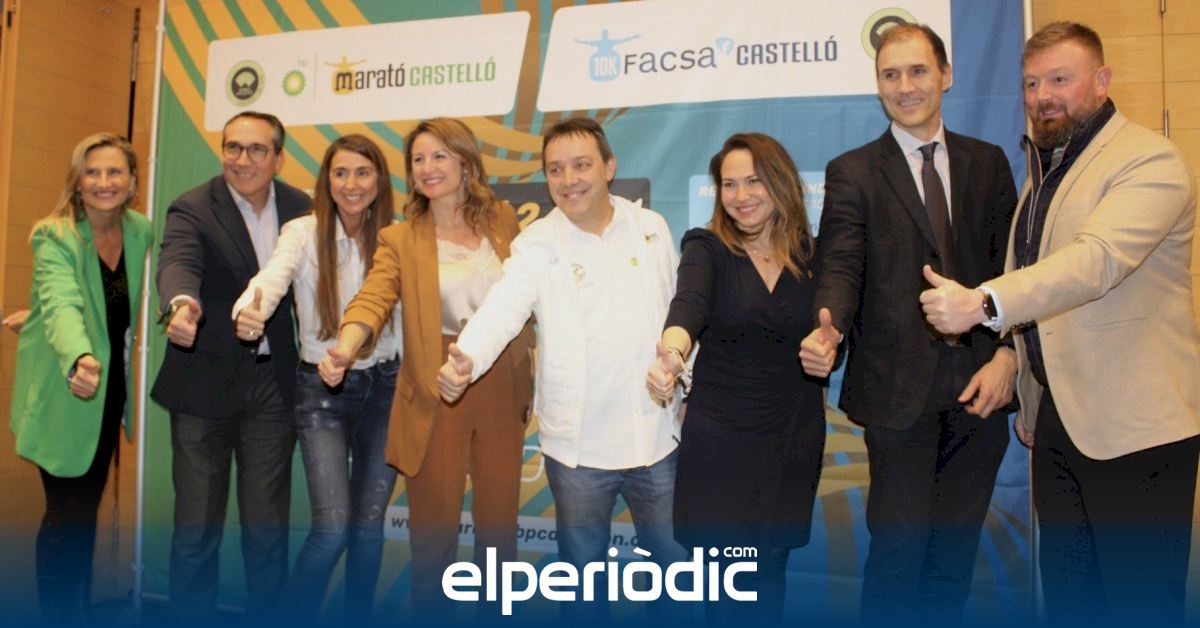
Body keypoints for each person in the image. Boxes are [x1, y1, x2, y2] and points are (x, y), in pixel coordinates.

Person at [920, 21, 1200, 623]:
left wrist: (984, 303)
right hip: (1059, 425)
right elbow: (1043, 293)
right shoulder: (1045, 176)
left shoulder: (1148, 160)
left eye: (1059, 80)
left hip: (1135, 430)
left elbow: (1095, 263)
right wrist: (1021, 373)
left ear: (1101, 82)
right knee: (1074, 603)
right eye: (1031, 83)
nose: (1042, 96)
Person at [798, 23, 1017, 623]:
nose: (905, 86)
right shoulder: (853, 170)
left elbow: (1016, 271)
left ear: (945, 75)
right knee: (897, 554)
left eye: (917, 71)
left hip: (982, 389)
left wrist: (1010, 354)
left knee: (954, 557)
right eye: (890, 74)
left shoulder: (989, 163)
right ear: (877, 86)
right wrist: (829, 324)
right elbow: (841, 263)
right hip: (897, 394)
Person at [437, 116, 687, 622]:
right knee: (584, 581)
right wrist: (467, 357)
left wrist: (683, 376)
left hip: (656, 437)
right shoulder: (537, 244)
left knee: (672, 573)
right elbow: (503, 308)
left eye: (580, 165)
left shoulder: (651, 229)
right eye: (555, 169)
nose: (568, 180)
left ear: (609, 167)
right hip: (578, 453)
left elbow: (680, 311)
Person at [319, 118, 533, 620]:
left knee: (499, 535)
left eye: (439, 156)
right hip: (436, 390)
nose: (427, 168)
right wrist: (346, 348)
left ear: (465, 161)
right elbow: (373, 298)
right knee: (433, 539)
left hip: (501, 384)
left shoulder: (503, 219)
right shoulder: (401, 238)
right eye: (418, 159)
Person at [647, 133, 825, 622]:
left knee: (770, 572)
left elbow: (833, 327)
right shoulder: (707, 247)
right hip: (721, 440)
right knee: (723, 581)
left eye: (754, 181)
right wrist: (672, 354)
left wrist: (830, 346)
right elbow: (689, 305)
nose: (740, 195)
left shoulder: (811, 255)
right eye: (729, 184)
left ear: (780, 183)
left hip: (792, 433)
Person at [231, 134, 400, 625]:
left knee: (368, 526)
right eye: (340, 173)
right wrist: (249, 311)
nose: (351, 184)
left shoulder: (398, 236)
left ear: (379, 180)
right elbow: (271, 278)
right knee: (332, 527)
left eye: (362, 173)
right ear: (326, 180)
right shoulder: (303, 232)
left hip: (386, 388)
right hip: (321, 391)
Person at [152, 111, 311, 621]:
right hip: (203, 385)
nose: (242, 160)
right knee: (196, 527)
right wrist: (182, 304)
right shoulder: (194, 207)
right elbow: (178, 262)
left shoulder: (302, 208)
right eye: (232, 147)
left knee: (267, 528)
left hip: (271, 387)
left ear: (278, 158)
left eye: (257, 149)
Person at [9, 133, 152, 623]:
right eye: (92, 172)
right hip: (66, 387)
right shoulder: (54, 235)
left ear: (133, 181)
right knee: (66, 510)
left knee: (85, 508)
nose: (103, 182)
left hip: (109, 391)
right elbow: (63, 302)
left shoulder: (139, 231)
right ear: (77, 181)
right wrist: (79, 358)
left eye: (115, 172)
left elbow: (118, 305)